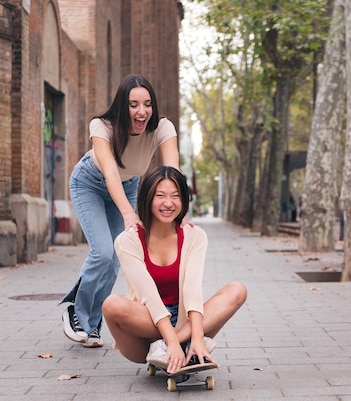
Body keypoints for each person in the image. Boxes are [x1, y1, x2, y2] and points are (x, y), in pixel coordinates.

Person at [60, 74, 182, 348]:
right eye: (134, 104)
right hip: (90, 183)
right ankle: (75, 309)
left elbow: (171, 170)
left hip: (127, 187)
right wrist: (128, 213)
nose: (142, 111)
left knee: (117, 258)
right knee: (103, 251)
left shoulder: (162, 128)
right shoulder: (102, 126)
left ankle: (91, 324)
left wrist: (177, 209)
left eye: (147, 104)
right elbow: (111, 171)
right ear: (122, 106)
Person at [102, 166, 247, 374]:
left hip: (185, 319)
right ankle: (167, 344)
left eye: (175, 196)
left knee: (237, 290)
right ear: (147, 198)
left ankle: (182, 344)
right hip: (147, 323)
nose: (168, 203)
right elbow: (148, 295)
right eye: (160, 196)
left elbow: (192, 289)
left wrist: (197, 336)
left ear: (184, 201)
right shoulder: (128, 240)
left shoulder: (194, 236)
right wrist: (169, 338)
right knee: (112, 304)